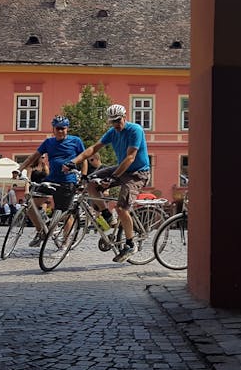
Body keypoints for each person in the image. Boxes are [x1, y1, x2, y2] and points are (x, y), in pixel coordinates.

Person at [65, 103, 151, 263]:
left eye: (118, 120)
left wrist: (112, 177)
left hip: (137, 173)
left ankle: (131, 244)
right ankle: (107, 216)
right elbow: (93, 148)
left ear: (125, 117)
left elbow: (131, 157)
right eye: (113, 121)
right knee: (91, 182)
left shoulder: (135, 130)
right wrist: (73, 161)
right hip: (121, 169)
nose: (116, 124)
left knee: (121, 207)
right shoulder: (112, 132)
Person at [17, 115, 87, 247]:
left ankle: (65, 243)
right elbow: (34, 156)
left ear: (67, 128)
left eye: (63, 128)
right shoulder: (48, 142)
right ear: (53, 129)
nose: (60, 131)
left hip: (68, 181)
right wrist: (19, 169)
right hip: (51, 180)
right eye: (58, 128)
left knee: (65, 213)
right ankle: (40, 232)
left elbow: (84, 159)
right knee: (30, 204)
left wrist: (83, 177)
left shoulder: (76, 141)